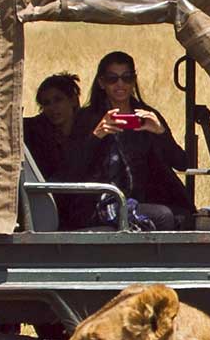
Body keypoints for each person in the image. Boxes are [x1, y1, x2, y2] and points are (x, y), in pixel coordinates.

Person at [78, 51, 197, 227]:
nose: (120, 84)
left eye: (127, 78)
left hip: (145, 198)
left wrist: (160, 133)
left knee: (184, 216)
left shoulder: (146, 115)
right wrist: (96, 136)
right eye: (112, 79)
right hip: (102, 202)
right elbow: (73, 166)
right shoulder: (88, 118)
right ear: (101, 83)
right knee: (163, 216)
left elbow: (182, 163)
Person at [23, 72, 98, 229]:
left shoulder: (90, 126)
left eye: (58, 100)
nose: (53, 108)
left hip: (85, 201)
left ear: (72, 100)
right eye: (46, 103)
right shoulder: (39, 130)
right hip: (56, 202)